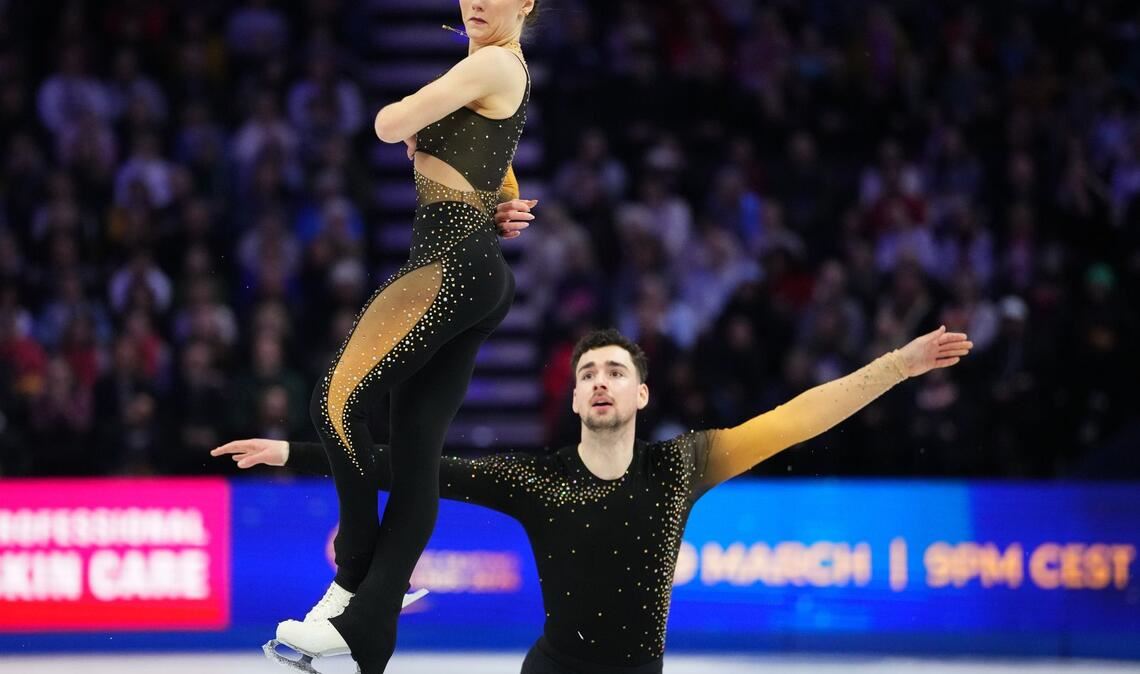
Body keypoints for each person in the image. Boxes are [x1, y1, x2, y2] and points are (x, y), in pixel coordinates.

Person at [214, 324, 973, 673]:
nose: (600, 380)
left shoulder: (681, 467)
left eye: (614, 370)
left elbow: (798, 418)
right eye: (587, 374)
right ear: (575, 397)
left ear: (641, 393)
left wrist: (899, 366)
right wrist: (294, 451)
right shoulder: (536, 478)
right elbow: (413, 465)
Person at [219, 1, 538, 671]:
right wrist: (496, 196)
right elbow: (493, 158)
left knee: (334, 401)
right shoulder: (498, 70)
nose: (475, 1)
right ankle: (369, 629)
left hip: (449, 263)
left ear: (527, 2)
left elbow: (387, 121)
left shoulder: (489, 63)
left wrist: (408, 120)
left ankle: (353, 578)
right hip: (470, 261)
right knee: (415, 448)